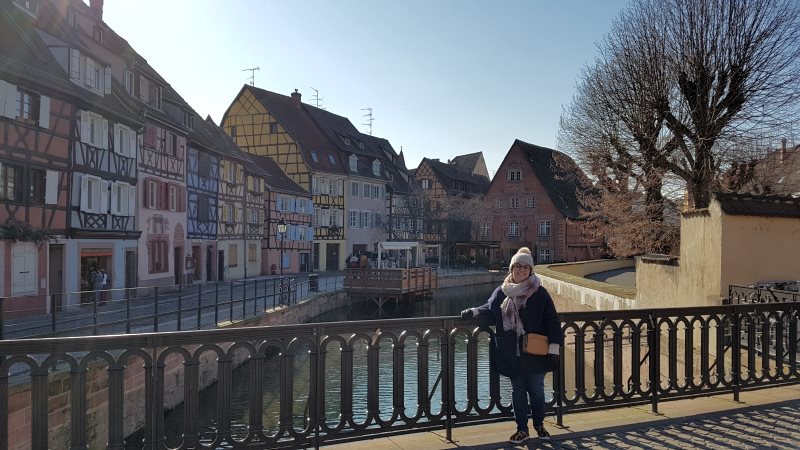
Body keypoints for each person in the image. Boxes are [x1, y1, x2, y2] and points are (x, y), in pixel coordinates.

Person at [460, 247, 562, 444]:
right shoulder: (502, 292)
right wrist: (473, 311)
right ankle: (522, 429)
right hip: (511, 353)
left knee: (537, 391)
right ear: (511, 268)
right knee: (518, 393)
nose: (521, 270)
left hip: (535, 352)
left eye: (526, 267)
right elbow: (489, 309)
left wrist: (554, 348)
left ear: (531, 271)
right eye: (518, 266)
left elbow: (552, 322)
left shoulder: (539, 293)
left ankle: (539, 424)